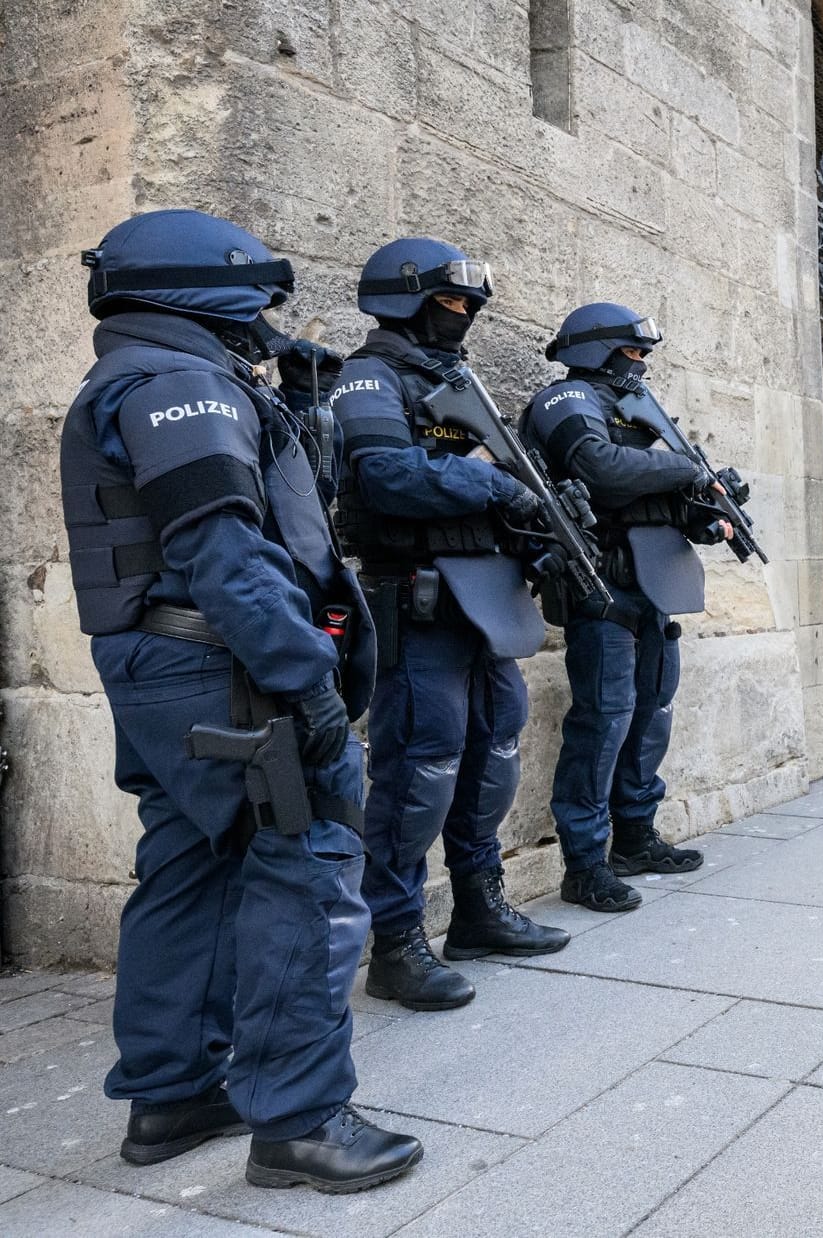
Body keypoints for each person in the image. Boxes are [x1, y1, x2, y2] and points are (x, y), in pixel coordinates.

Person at [63, 210, 420, 1190]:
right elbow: (226, 553)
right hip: (228, 663)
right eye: (255, 294)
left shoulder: (147, 375)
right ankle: (300, 1121)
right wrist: (304, 682)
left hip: (169, 665)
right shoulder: (181, 384)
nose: (267, 313)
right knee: (306, 860)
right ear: (198, 288)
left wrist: (292, 410)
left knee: (185, 860)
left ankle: (171, 1093)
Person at [331, 238, 568, 1012]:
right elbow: (387, 476)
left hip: (485, 598)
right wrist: (493, 486)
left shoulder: (455, 379)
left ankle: (478, 907)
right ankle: (397, 944)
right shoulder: (368, 376)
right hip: (418, 593)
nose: (462, 318)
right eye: (452, 302)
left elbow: (501, 480)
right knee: (417, 769)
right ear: (406, 297)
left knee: (496, 746)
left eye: (470, 306)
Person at [520, 303, 715, 916]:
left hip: (655, 585)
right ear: (597, 351)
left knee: (650, 713)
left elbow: (661, 498)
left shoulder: (639, 414)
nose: (641, 365)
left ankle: (634, 835)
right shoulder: (567, 401)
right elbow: (601, 471)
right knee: (603, 721)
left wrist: (706, 508)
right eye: (632, 353)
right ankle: (584, 864)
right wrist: (685, 466)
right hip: (602, 585)